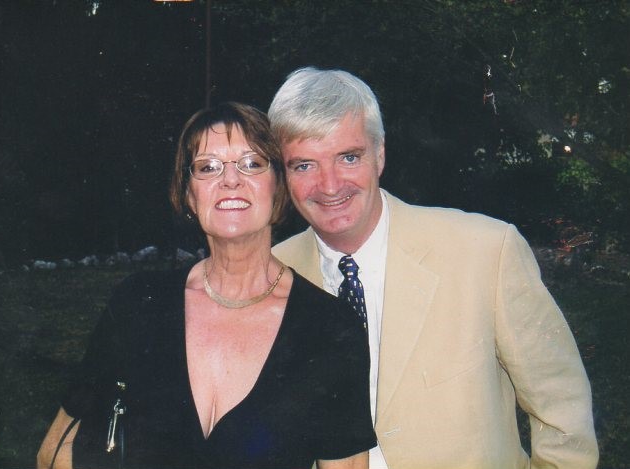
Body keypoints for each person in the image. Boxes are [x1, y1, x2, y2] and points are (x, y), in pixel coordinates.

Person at [269, 67, 599, 469]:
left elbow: (562, 408)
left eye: (349, 157)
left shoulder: (485, 251)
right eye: (304, 165)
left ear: (380, 154)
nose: (330, 185)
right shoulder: (270, 277)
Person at [37, 102, 376, 469]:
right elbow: (56, 451)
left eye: (251, 163)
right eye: (208, 167)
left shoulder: (328, 328)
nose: (230, 180)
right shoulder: (138, 304)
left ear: (278, 186)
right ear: (188, 194)